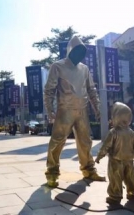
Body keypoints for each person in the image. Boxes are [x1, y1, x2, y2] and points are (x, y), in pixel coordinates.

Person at [43, 36, 104, 187]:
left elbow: (91, 90)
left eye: (82, 51)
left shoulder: (84, 68)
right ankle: (52, 172)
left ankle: (89, 169)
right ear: (70, 50)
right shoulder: (58, 66)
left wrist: (98, 108)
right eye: (76, 50)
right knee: (57, 141)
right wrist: (50, 110)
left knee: (85, 141)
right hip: (65, 110)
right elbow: (49, 90)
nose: (79, 54)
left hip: (82, 110)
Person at [95, 102, 134, 205]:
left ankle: (115, 196)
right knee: (131, 178)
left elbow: (105, 147)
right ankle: (133, 193)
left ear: (116, 117)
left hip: (116, 161)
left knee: (115, 178)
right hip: (129, 160)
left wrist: (99, 157)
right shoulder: (131, 132)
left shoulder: (113, 132)